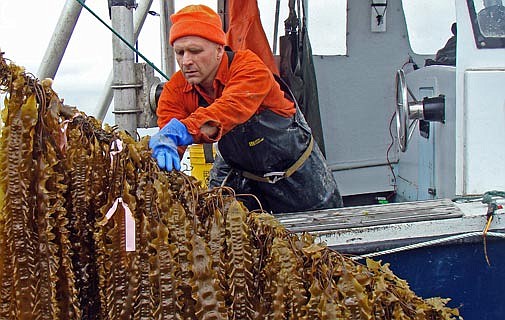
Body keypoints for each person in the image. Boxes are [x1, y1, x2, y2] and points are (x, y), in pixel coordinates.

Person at [149, 4, 343, 213]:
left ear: (218, 50)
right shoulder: (175, 90)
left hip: (296, 174)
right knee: (214, 220)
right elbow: (170, 140)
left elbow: (229, 109)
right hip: (242, 176)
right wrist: (165, 154)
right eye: (180, 52)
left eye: (195, 51)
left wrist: (183, 130)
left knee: (325, 232)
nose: (186, 61)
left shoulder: (250, 68)